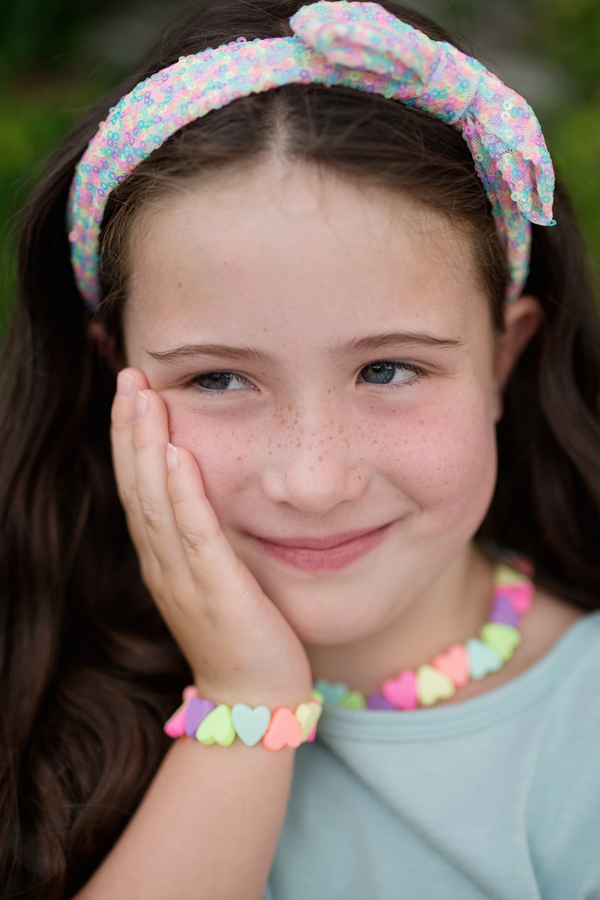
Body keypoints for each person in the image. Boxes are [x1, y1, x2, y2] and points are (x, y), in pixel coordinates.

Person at [1, 0, 599, 896]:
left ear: (504, 358)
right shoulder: (28, 696)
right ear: (113, 374)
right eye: (217, 380)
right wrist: (247, 706)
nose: (314, 481)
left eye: (389, 370)